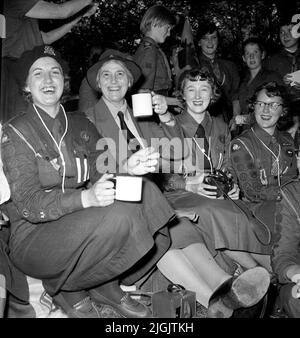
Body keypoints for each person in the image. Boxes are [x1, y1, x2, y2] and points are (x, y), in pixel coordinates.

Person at [84, 50, 270, 317]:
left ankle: (224, 292)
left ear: (129, 82)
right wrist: (163, 198)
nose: (114, 81)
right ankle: (219, 297)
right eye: (106, 75)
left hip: (154, 198)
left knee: (181, 229)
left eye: (120, 74)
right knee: (171, 227)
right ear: (98, 83)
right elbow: (94, 178)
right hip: (120, 204)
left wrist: (168, 117)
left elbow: (176, 152)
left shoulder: (141, 115)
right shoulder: (88, 120)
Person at [0, 44, 180, 319]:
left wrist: (129, 168)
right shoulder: (16, 131)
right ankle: (68, 285)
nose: (48, 80)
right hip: (33, 234)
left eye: (55, 72)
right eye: (38, 74)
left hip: (77, 221)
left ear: (65, 81)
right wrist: (86, 198)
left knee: (147, 192)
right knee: (123, 214)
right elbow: (27, 203)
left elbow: (101, 175)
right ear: (26, 85)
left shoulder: (81, 125)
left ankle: (100, 281)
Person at [229, 81, 300, 317]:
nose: (266, 110)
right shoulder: (242, 143)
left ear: (283, 110)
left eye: (273, 105)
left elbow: (293, 177)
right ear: (253, 106)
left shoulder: (287, 141)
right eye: (261, 103)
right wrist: (288, 195)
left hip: (285, 201)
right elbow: (252, 191)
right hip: (259, 206)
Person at [1, 0, 98, 122]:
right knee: (19, 123)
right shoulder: (16, 2)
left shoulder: (21, 15)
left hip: (22, 70)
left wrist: (79, 15)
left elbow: (46, 38)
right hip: (12, 71)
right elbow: (62, 11)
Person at [133, 5, 181, 108]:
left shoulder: (153, 49)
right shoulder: (149, 51)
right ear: (155, 23)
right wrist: (177, 102)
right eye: (167, 28)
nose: (169, 34)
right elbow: (143, 94)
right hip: (151, 112)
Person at [232, 38, 283, 134]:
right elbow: (236, 99)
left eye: (255, 52)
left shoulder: (272, 77)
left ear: (262, 55)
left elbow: (281, 108)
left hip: (267, 131)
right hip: (246, 133)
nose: (251, 57)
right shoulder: (242, 80)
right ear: (243, 58)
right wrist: (235, 118)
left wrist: (245, 119)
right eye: (247, 53)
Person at [196, 21, 240, 124]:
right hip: (203, 121)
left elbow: (236, 96)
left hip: (229, 121)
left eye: (214, 37)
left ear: (218, 40)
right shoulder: (194, 66)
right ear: (199, 42)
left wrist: (235, 119)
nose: (210, 42)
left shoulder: (230, 66)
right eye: (205, 38)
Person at [266, 18, 300, 116]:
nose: (285, 35)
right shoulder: (272, 61)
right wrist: (281, 85)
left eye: (290, 30)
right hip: (284, 111)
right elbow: (268, 88)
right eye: (282, 32)